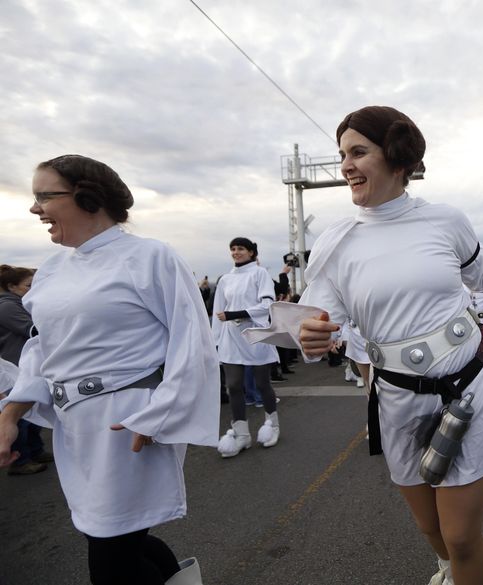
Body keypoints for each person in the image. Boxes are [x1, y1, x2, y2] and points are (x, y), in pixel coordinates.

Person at [294, 106, 483, 585]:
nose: (346, 166)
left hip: (471, 384)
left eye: (358, 152)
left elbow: (480, 275)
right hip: (396, 397)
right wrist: (310, 338)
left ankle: (463, 564)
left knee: (461, 535)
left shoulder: (443, 220)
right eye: (343, 156)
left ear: (396, 156)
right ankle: (452, 567)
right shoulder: (335, 244)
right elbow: (318, 328)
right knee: (431, 527)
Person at [0, 154, 218, 585]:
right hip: (74, 429)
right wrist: (11, 414)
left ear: (87, 197)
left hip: (128, 424)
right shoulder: (53, 270)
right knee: (114, 538)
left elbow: (192, 342)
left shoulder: (149, 256)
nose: (35, 208)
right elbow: (42, 346)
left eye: (45, 196)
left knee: (111, 557)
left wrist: (161, 413)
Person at [212, 237, 282, 457]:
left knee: (262, 384)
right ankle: (242, 435)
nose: (236, 252)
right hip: (231, 338)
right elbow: (218, 312)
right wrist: (215, 341)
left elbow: (267, 304)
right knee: (233, 385)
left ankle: (272, 425)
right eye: (232, 249)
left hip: (255, 335)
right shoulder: (225, 279)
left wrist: (236, 314)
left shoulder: (259, 274)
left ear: (251, 252)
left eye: (240, 248)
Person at [0, 264, 53, 476]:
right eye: (28, 285)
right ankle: (21, 460)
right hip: (15, 366)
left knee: (32, 416)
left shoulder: (20, 303)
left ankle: (35, 450)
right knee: (20, 418)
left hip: (23, 365)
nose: (33, 289)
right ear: (12, 286)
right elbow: (33, 330)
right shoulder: (7, 307)